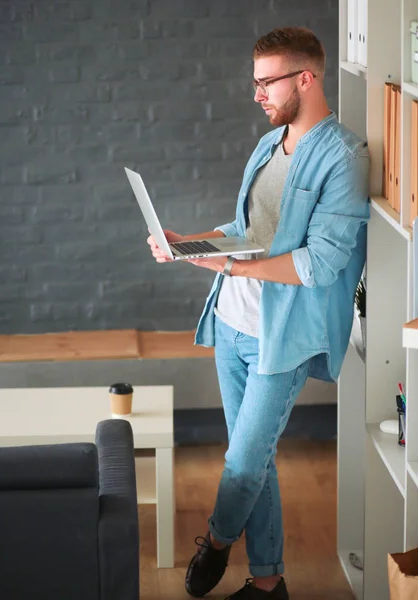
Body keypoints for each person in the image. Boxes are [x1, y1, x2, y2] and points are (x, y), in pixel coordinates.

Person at [148, 26, 370, 600]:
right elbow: (246, 232)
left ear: (306, 78)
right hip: (231, 322)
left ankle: (219, 540)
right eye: (255, 83)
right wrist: (187, 243)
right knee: (258, 458)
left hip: (283, 336)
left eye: (266, 82)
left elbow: (320, 262)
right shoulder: (268, 146)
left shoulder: (343, 157)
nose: (257, 95)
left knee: (243, 462)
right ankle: (268, 582)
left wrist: (235, 269)